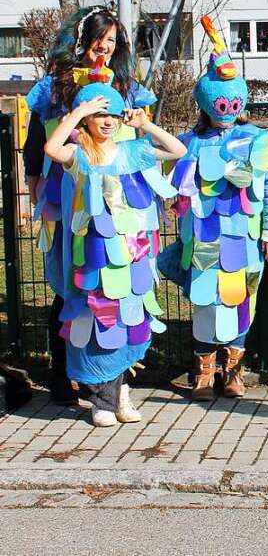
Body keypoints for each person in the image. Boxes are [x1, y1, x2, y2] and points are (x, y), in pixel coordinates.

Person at [26, 7, 156, 404]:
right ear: (82, 43)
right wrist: (35, 183)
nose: (104, 52)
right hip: (65, 191)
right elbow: (37, 140)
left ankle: (113, 376)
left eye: (111, 44)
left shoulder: (127, 86)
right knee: (70, 281)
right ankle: (65, 375)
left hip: (111, 198)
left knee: (111, 279)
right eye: (98, 45)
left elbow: (141, 140)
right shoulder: (55, 86)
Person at [42, 69, 184, 427]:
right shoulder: (79, 154)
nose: (106, 122)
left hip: (131, 256)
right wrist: (75, 112)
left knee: (126, 319)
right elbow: (50, 148)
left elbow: (177, 150)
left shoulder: (132, 150)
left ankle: (120, 391)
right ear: (87, 119)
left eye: (112, 115)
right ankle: (101, 399)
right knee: (97, 319)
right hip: (93, 255)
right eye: (99, 115)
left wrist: (144, 123)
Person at [159, 17, 268, 401]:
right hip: (201, 239)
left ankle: (233, 370)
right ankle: (202, 370)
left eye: (233, 104)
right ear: (205, 103)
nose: (227, 111)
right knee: (205, 300)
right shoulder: (189, 143)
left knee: (238, 298)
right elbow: (171, 184)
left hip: (244, 239)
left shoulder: (255, 140)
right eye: (219, 104)